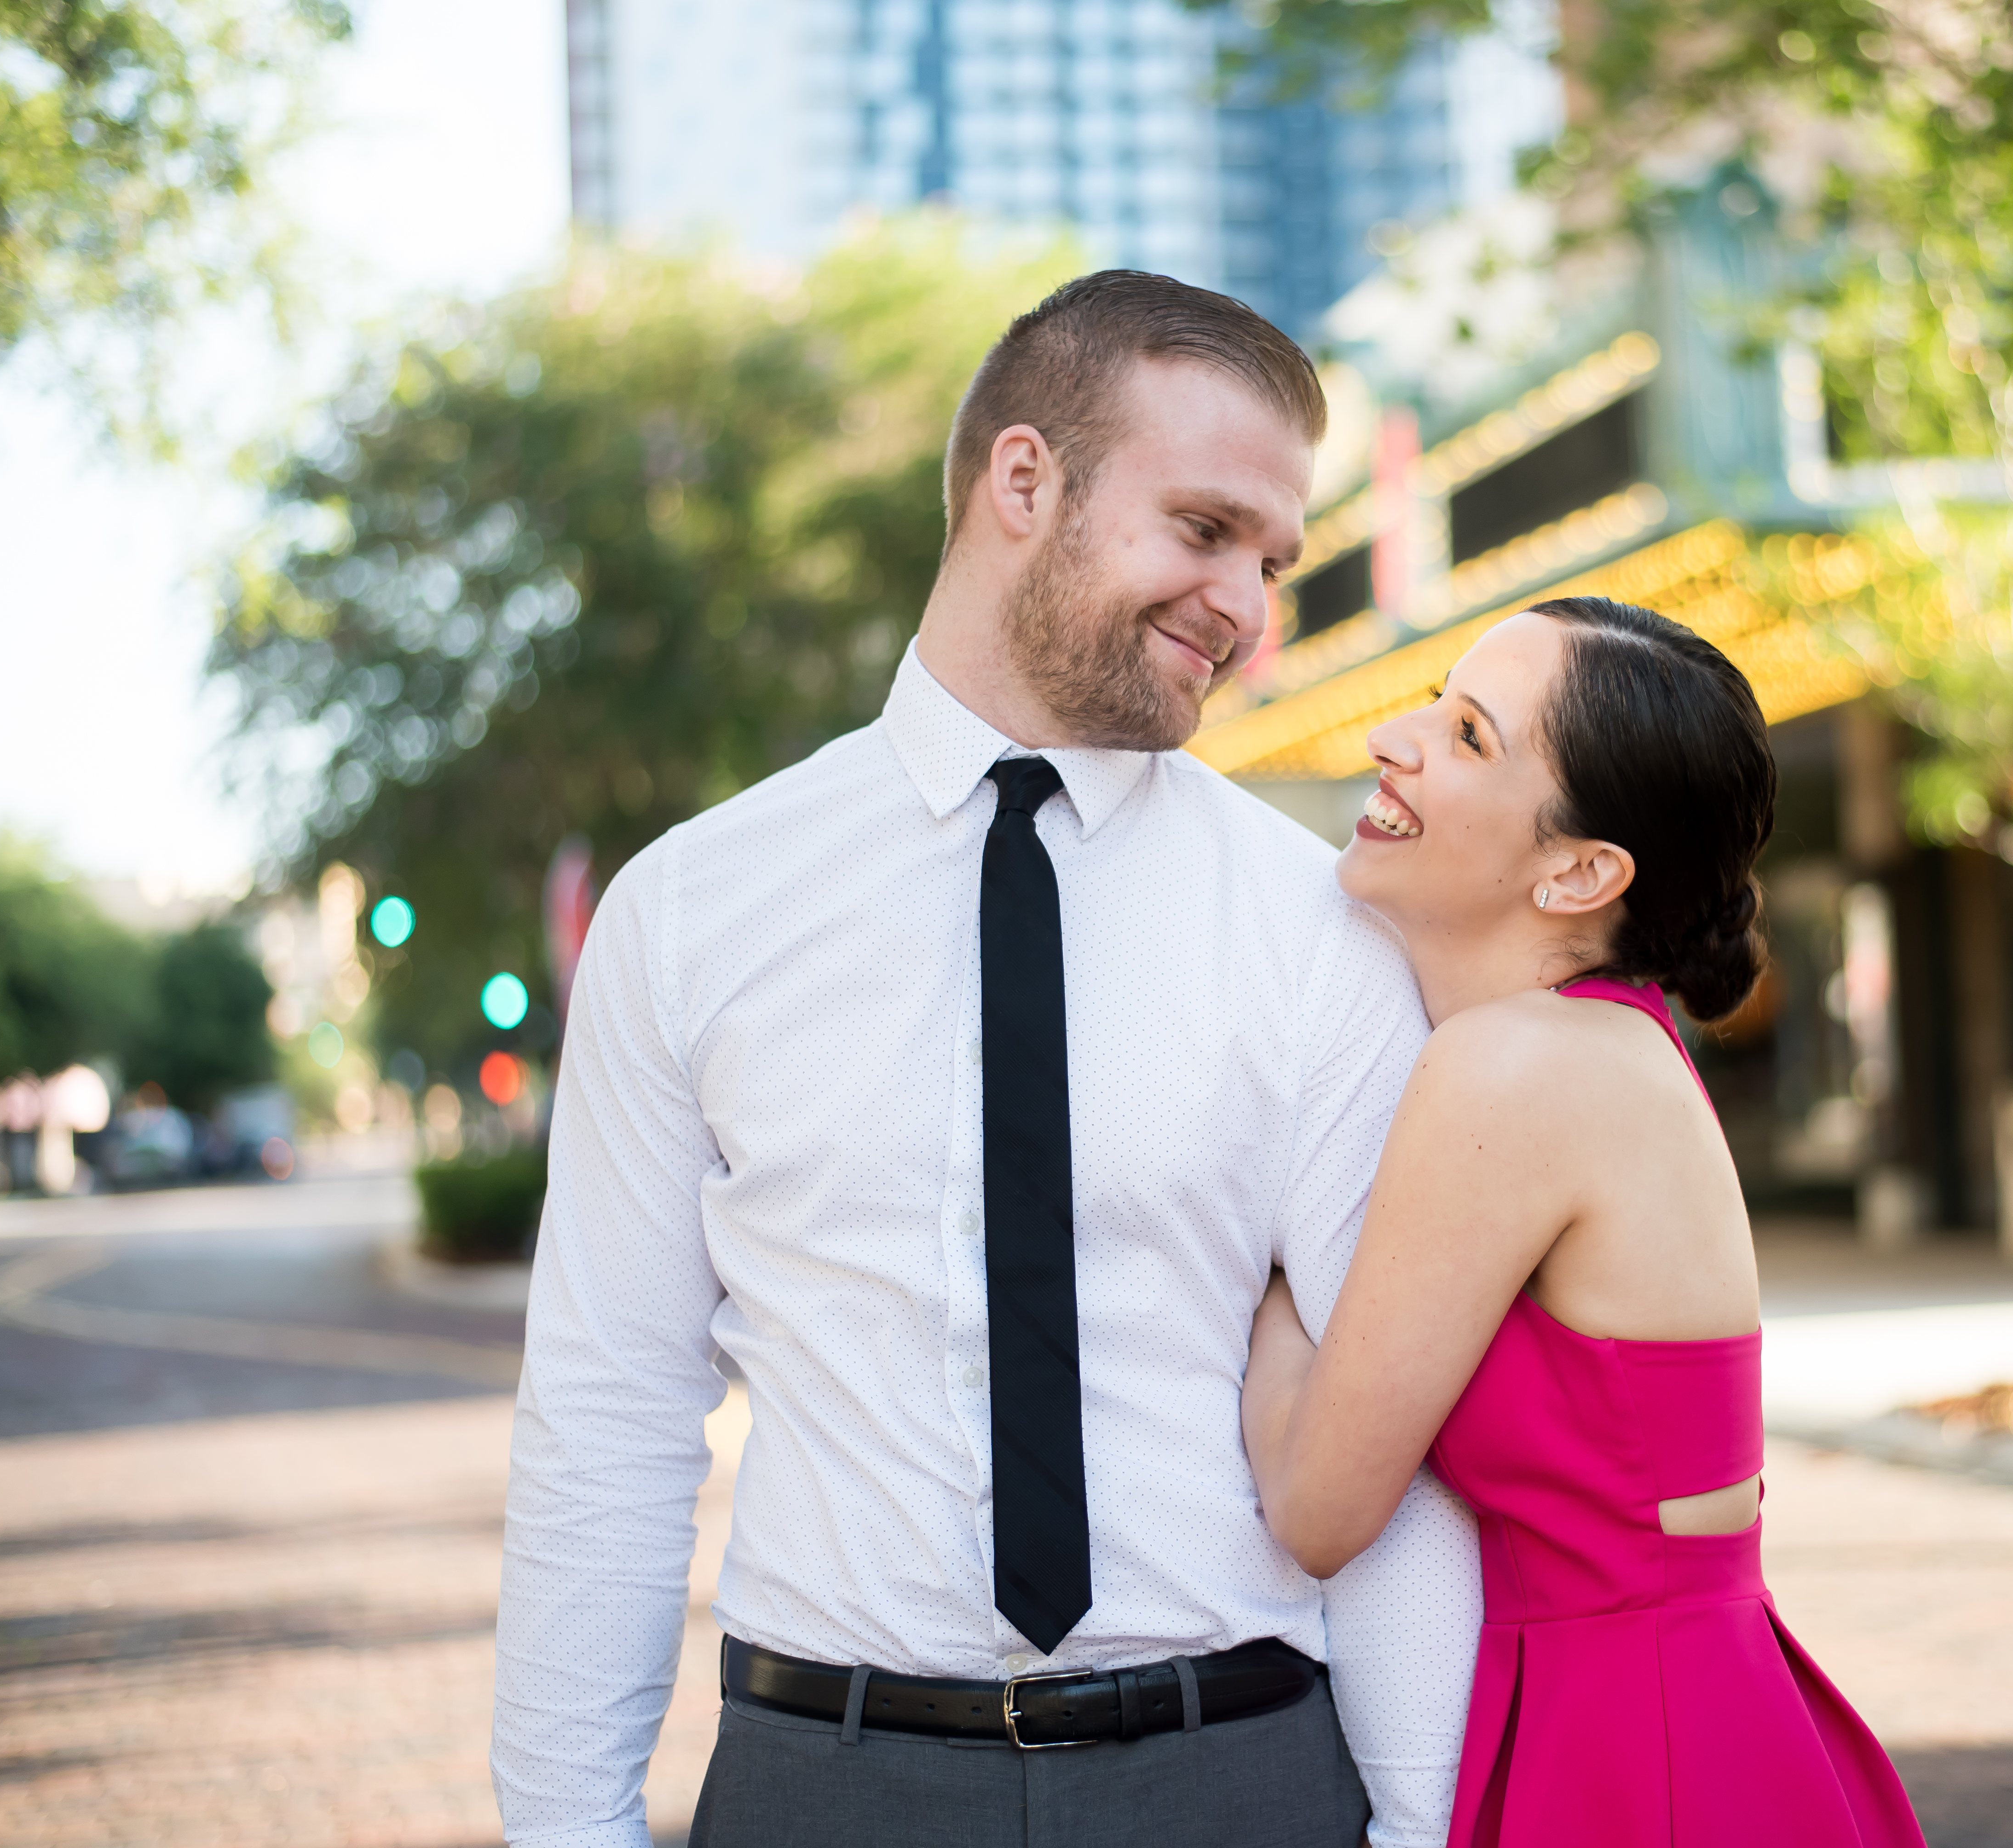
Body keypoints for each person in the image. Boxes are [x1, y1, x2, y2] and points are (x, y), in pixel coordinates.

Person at [491, 271, 1483, 1848]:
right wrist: (567, 1832)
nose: (1250, 607)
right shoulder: (691, 912)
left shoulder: (1321, 930)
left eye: (1274, 560)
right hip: (830, 1783)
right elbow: (607, 1413)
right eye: (1208, 530)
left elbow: (1400, 1436)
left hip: (1235, 1776)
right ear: (1027, 481)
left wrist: (1427, 1832)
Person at [1241, 597, 1929, 1847]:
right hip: (1683, 1709)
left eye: (1465, 736)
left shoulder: (1516, 1071)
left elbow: (1315, 1511)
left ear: (1578, 870)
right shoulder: (1607, 1047)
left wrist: (1272, 1255)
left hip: (1630, 1742)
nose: (1393, 740)